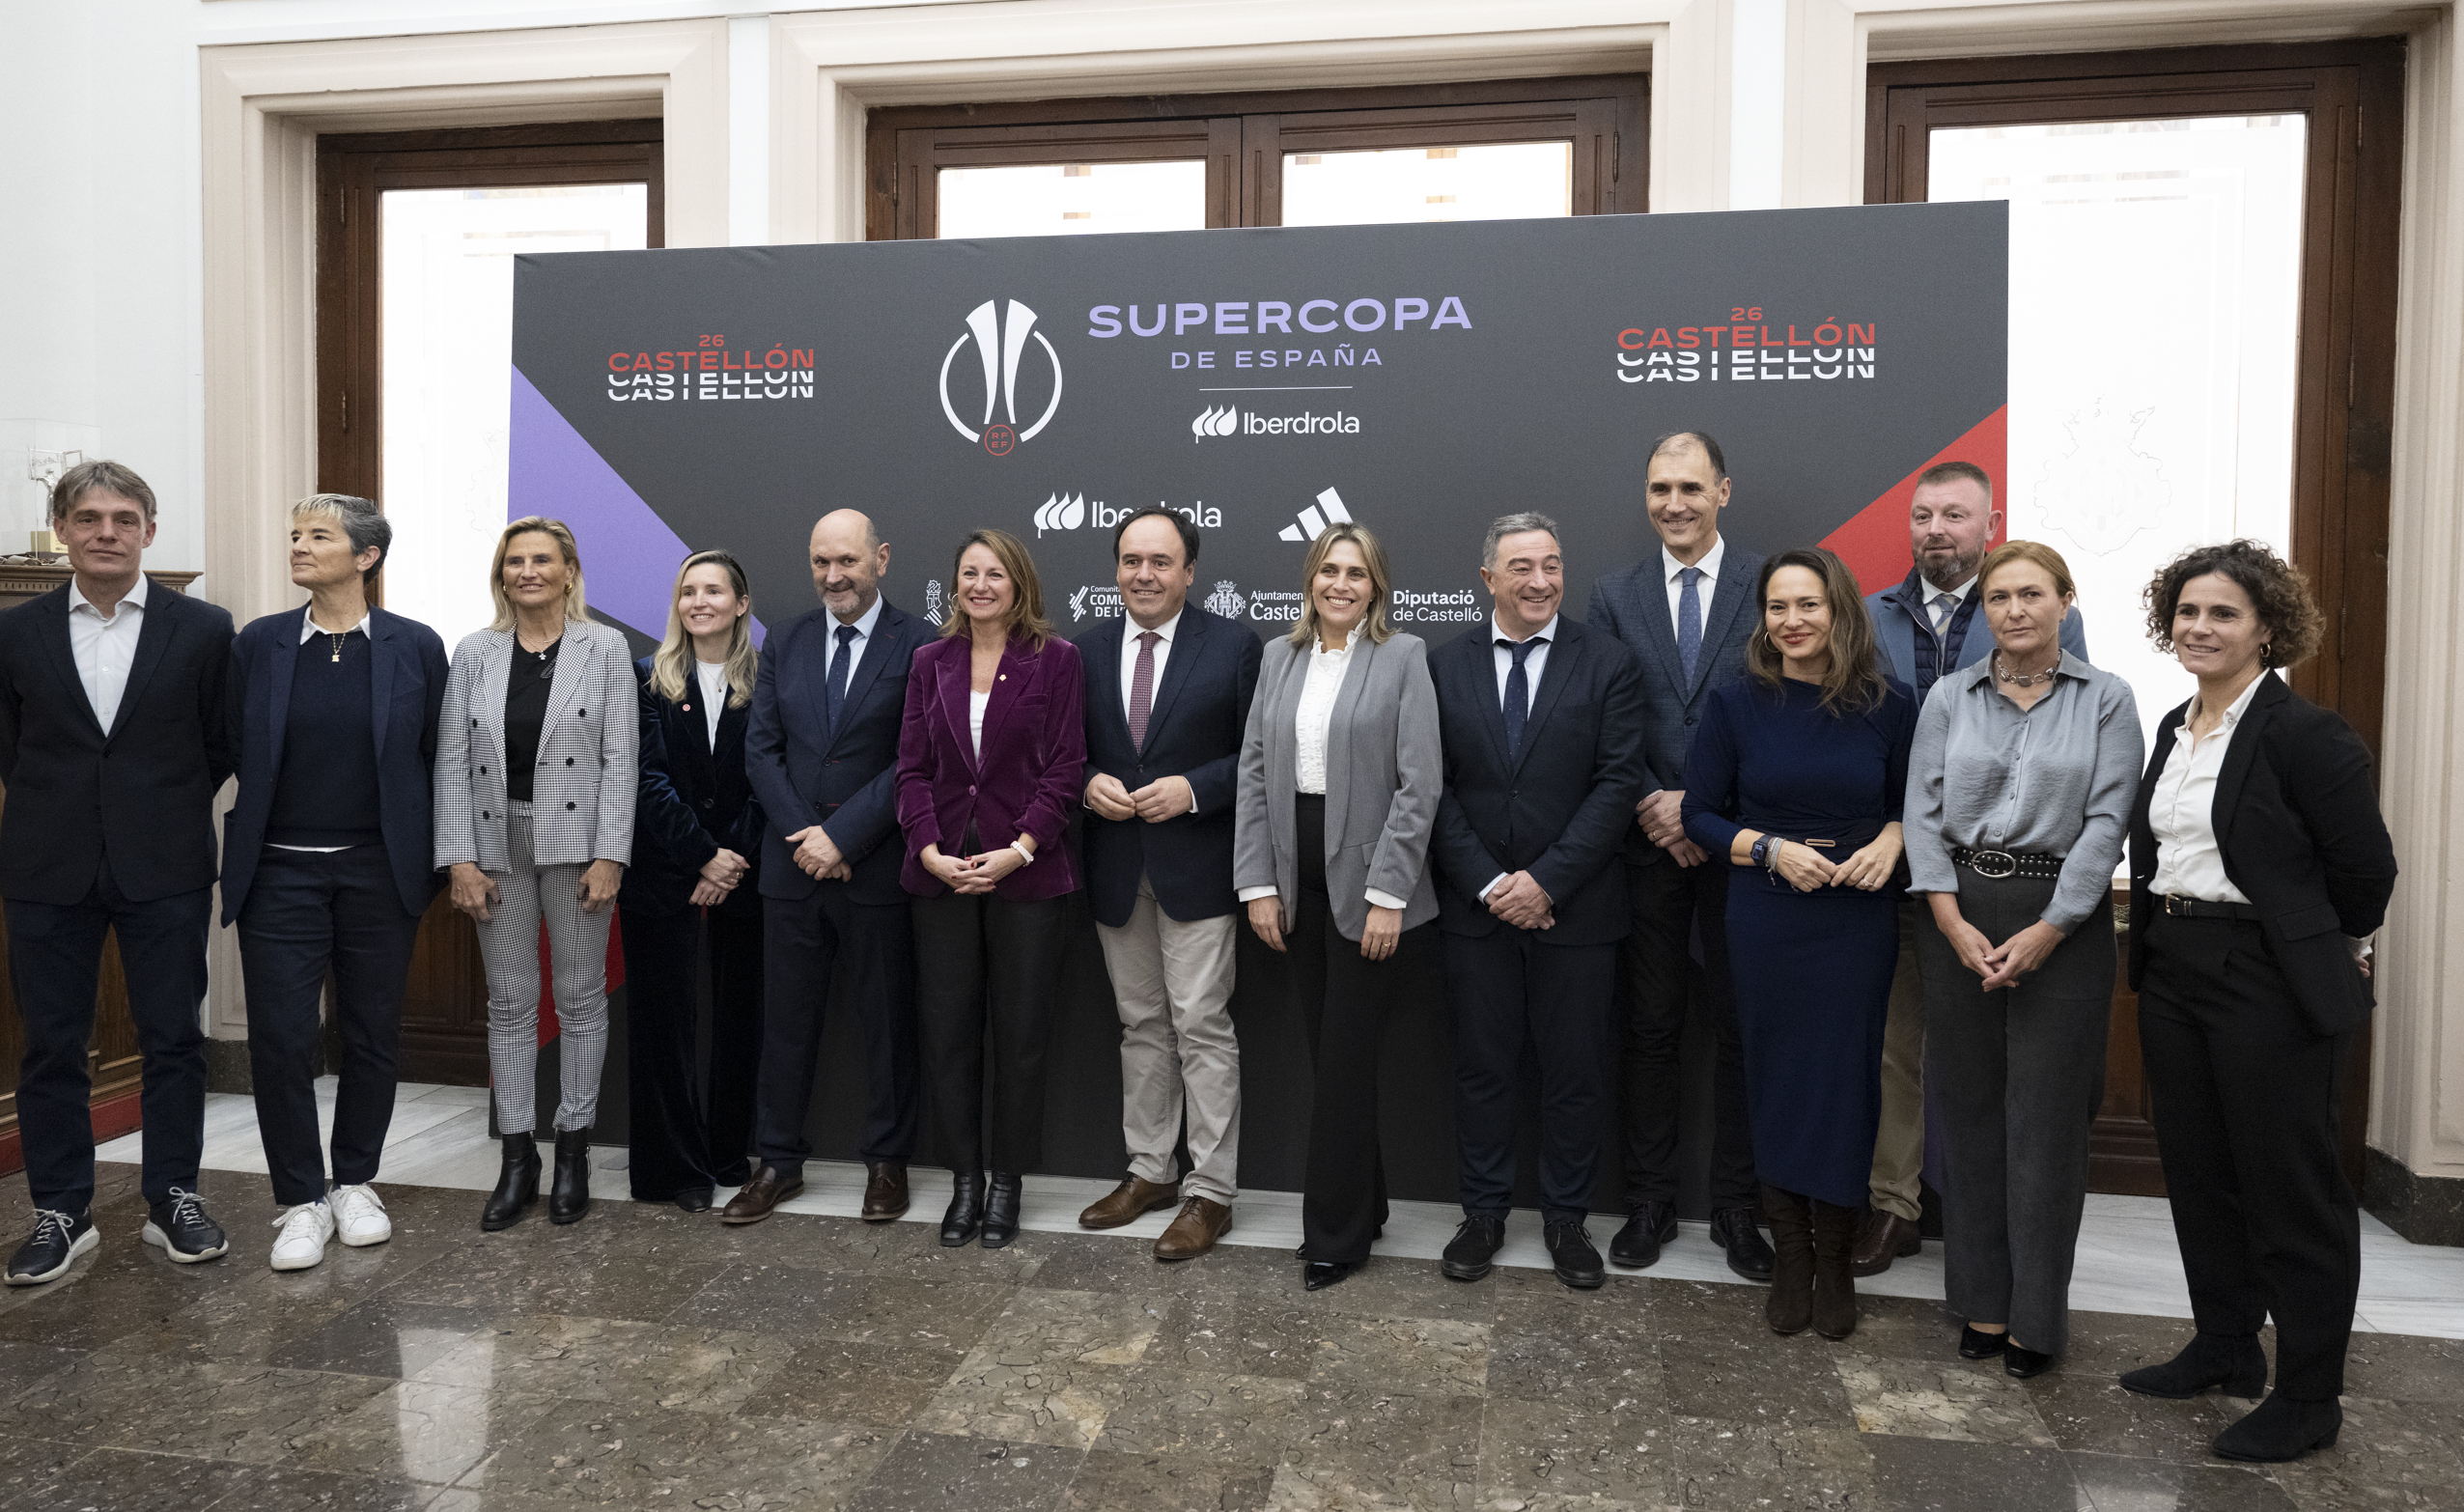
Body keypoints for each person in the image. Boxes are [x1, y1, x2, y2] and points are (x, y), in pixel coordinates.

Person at [2118, 540, 2396, 1464]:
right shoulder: (2173, 725)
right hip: (2177, 965)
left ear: (2267, 630)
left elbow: (2366, 873)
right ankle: (2225, 1346)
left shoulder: (2303, 734)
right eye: (2188, 612)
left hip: (2268, 979)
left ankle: (2310, 1396)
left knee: (2292, 1193)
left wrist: (2317, 945)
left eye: (2223, 614)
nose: (2199, 628)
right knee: (2200, 1175)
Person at [1902, 541, 2141, 1375]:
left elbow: (2109, 823)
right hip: (1958, 916)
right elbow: (1922, 814)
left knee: (2045, 1127)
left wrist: (2052, 927)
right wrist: (1948, 915)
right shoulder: (1947, 697)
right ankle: (1980, 1304)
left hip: (2061, 927)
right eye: (1999, 596)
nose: (2014, 610)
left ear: (2065, 601)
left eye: (2032, 594)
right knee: (1968, 1120)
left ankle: (2038, 1319)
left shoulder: (2109, 700)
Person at [1, 461, 236, 1283]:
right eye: (90, 517)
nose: (107, 532)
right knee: (52, 1047)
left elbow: (219, 742)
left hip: (163, 865)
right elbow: (11, 748)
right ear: (63, 529)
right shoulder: (15, 633)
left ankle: (174, 1198)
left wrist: (153, 807)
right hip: (44, 867)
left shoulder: (204, 629)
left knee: (174, 1039)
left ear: (149, 531)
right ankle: (61, 1211)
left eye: (124, 518)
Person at [1855, 461, 2089, 1275]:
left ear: (1987, 527)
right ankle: (1895, 1207)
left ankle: (1996, 1214)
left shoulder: (2028, 609)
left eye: (1954, 515)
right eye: (1921, 515)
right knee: (1901, 1041)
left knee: (2011, 1051)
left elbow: (2072, 737)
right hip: (1899, 861)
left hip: (2014, 872)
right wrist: (1901, 836)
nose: (1934, 530)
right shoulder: (1870, 615)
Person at [1682, 546, 1918, 1341]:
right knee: (1774, 1079)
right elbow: (1698, 816)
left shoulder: (1889, 704)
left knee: (1848, 1081)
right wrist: (1767, 849)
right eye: (1778, 608)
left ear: (1839, 609)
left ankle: (1835, 1259)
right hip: (1765, 915)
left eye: (1808, 605)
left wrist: (1894, 839)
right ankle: (1790, 1256)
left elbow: (1912, 800)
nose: (1792, 622)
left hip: (1856, 920)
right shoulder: (1735, 704)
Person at [224, 494, 449, 1271]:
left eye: (319, 536)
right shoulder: (259, 644)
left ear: (365, 557)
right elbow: (228, 743)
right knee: (282, 1041)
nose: (299, 546)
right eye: (293, 535)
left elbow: (434, 758)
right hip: (279, 870)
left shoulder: (415, 647)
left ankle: (354, 1181)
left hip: (377, 873)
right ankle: (299, 1200)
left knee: (371, 1034)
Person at [1429, 514, 1646, 1291]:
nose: (1540, 581)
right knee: (1483, 1069)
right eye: (1521, 567)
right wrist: (1492, 885)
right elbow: (1433, 789)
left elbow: (1619, 782)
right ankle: (1483, 1213)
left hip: (1578, 911)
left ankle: (1565, 1219)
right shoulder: (1442, 666)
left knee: (1575, 1072)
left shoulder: (1610, 662)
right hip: (1475, 911)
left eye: (1552, 565)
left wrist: (1546, 881)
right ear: (1488, 578)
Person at [1584, 431, 1773, 1281]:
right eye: (1660, 488)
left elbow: (1779, 711)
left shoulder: (1769, 586)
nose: (1675, 504)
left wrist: (1704, 815)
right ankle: (1650, 1201)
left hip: (1739, 848)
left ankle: (1740, 1208)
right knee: (1651, 1031)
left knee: (1744, 1032)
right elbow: (1606, 717)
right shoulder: (1615, 593)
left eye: (1691, 487)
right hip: (1649, 846)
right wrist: (1661, 810)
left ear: (1723, 492)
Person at [1235, 522, 1440, 1293]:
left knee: (1347, 1065)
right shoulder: (1278, 659)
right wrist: (1258, 884)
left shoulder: (1402, 658)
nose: (1341, 585)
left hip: (1371, 884)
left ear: (1376, 586)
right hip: (1295, 879)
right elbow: (1255, 775)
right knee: (1329, 1058)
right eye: (1329, 571)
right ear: (1311, 580)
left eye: (1357, 573)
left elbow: (1420, 786)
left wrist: (1388, 895)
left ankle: (1333, 1234)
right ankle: (1371, 1203)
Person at [727, 510, 934, 1227]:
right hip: (791, 871)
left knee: (885, 1023)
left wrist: (842, 839)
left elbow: (915, 757)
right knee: (785, 1024)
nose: (833, 576)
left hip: (875, 869)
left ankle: (886, 1163)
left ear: (880, 557)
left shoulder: (921, 644)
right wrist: (803, 836)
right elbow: (762, 751)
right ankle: (777, 1163)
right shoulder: (786, 636)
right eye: (820, 562)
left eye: (846, 560)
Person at [434, 517, 637, 1231]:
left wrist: (612, 854)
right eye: (514, 561)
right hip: (497, 844)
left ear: (569, 571)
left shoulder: (605, 648)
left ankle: (573, 1151)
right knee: (512, 1003)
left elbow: (621, 760)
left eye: (542, 560)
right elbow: (452, 763)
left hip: (579, 845)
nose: (527, 571)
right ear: (501, 575)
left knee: (580, 1000)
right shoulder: (474, 652)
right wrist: (458, 858)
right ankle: (517, 1158)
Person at [1076, 508, 1262, 1261]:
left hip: (1197, 868)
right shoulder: (1082, 652)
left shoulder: (1233, 645)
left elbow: (1256, 757)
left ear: (1190, 571)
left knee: (1201, 1026)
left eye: (1160, 562)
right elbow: (1063, 754)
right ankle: (1150, 1170)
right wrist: (1088, 784)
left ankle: (1210, 1192)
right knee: (1141, 1026)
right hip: (1117, 870)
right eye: (1130, 561)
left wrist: (1193, 789)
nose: (1143, 575)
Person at [897, 529, 1086, 1248]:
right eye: (969, 572)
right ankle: (965, 1182)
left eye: (995, 574)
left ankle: (1006, 1181)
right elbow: (910, 769)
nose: (981, 585)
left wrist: (1019, 849)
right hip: (941, 875)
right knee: (948, 1037)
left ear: (1020, 585)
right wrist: (929, 849)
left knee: (1022, 1037)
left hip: (1027, 874)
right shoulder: (928, 662)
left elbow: (1066, 768)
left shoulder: (1055, 660)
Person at [619, 550, 767, 1213]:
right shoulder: (646, 678)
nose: (699, 601)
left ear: (741, 604)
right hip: (664, 877)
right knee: (662, 1027)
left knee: (739, 1020)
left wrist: (731, 858)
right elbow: (645, 780)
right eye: (688, 591)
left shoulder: (768, 680)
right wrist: (701, 854)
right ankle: (672, 1171)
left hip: (746, 878)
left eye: (714, 591)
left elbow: (772, 776)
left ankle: (729, 1154)